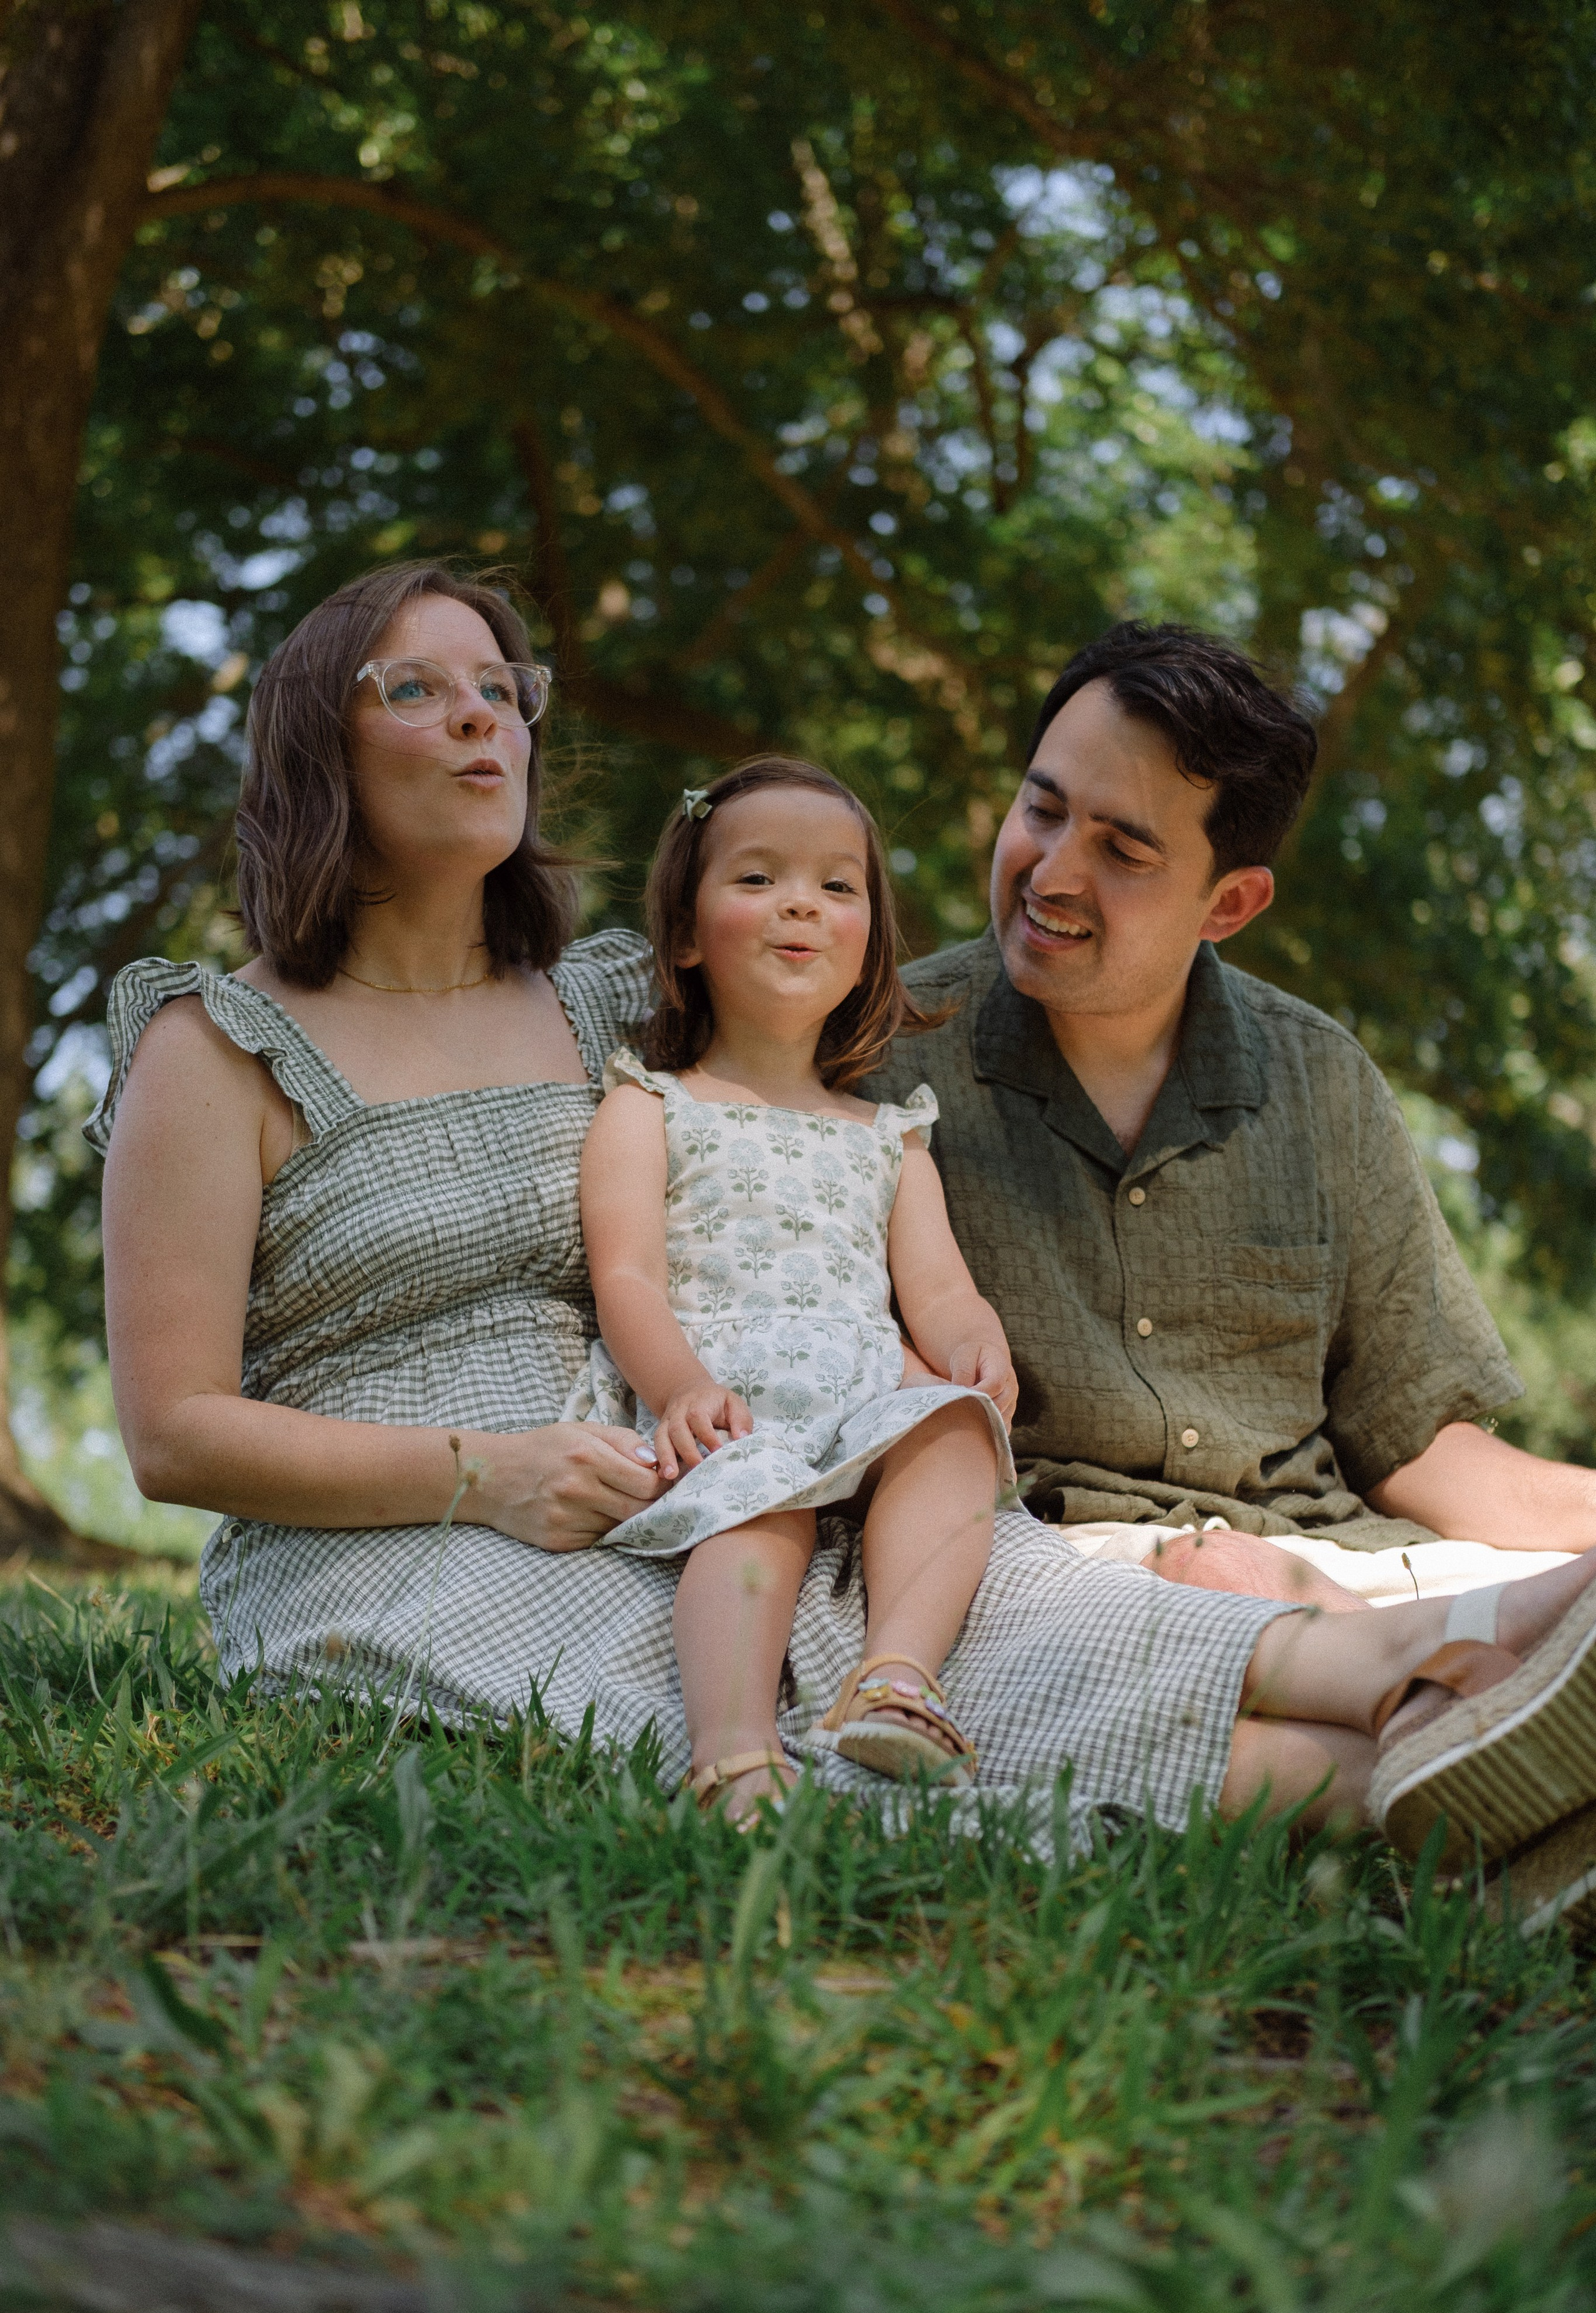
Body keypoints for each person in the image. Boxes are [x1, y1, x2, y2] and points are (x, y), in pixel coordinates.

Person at [86, 560, 1596, 1936]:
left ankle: (1472, 1698)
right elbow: (173, 1435)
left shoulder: (612, 1005)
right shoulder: (214, 1048)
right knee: (734, 1715)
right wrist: (487, 1470)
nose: (481, 719)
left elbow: (801, 1089)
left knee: (997, 1625)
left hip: (668, 1483)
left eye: (502, 688)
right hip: (400, 1535)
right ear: (312, 743)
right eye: (415, 689)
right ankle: (1428, 1802)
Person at [862, 621, 1596, 1610]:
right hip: (1050, 1574)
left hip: (1341, 1567)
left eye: (1122, 850)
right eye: (1042, 810)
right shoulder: (876, 1052)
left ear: (1231, 903)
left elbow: (1417, 1446)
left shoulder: (1322, 1080)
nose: (1052, 873)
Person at [571, 757, 1017, 1820]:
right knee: (758, 1509)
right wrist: (679, 1387)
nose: (802, 904)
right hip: (732, 1393)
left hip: (866, 1385)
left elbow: (940, 1289)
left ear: (869, 945)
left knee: (956, 1434)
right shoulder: (653, 1104)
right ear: (685, 935)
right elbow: (623, 1274)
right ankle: (732, 1750)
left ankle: (895, 1676)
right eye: (759, 879)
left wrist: (973, 1346)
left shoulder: (890, 1133)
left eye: (837, 885)